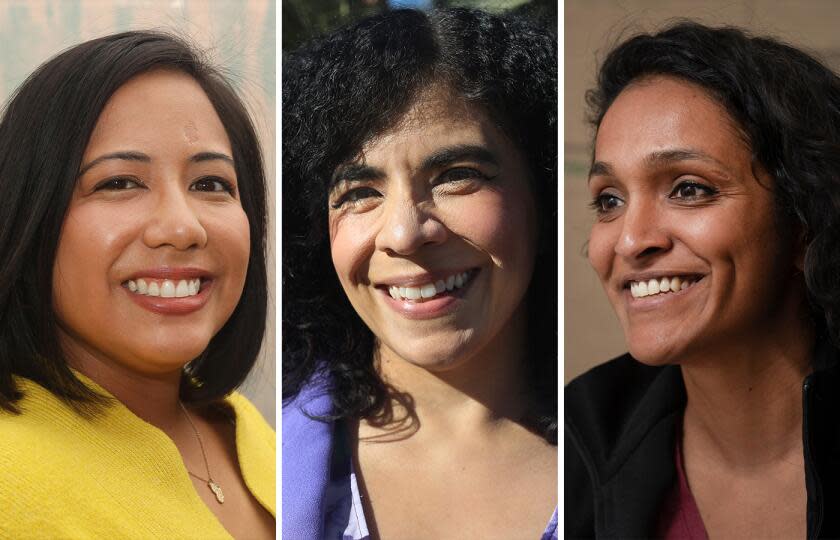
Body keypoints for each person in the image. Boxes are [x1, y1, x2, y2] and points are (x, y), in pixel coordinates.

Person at [282, 7, 557, 539]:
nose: (404, 234)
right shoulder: (261, 456)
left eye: (457, 176)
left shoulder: (612, 461)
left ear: (539, 196)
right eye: (361, 192)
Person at [565, 21, 840, 539]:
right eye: (610, 200)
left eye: (689, 189)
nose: (629, 241)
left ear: (805, 223)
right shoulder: (576, 445)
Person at [0, 31, 275, 538]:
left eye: (211, 184)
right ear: (28, 217)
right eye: (119, 182)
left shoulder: (243, 425)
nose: (181, 227)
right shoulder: (10, 488)